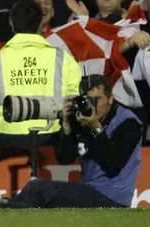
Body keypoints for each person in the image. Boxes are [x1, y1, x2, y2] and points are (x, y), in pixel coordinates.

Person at [7, 74, 142, 208]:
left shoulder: (128, 122)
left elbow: (114, 165)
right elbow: (64, 158)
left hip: (113, 198)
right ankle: (8, 208)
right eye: (88, 100)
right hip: (90, 191)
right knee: (41, 197)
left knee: (37, 188)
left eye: (97, 99)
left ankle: (6, 210)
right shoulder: (83, 119)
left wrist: (95, 128)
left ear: (110, 99)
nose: (92, 105)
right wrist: (66, 128)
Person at [0, 0, 81, 146]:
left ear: (11, 22)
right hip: (51, 137)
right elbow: (75, 97)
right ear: (40, 22)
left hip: (6, 137)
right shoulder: (63, 58)